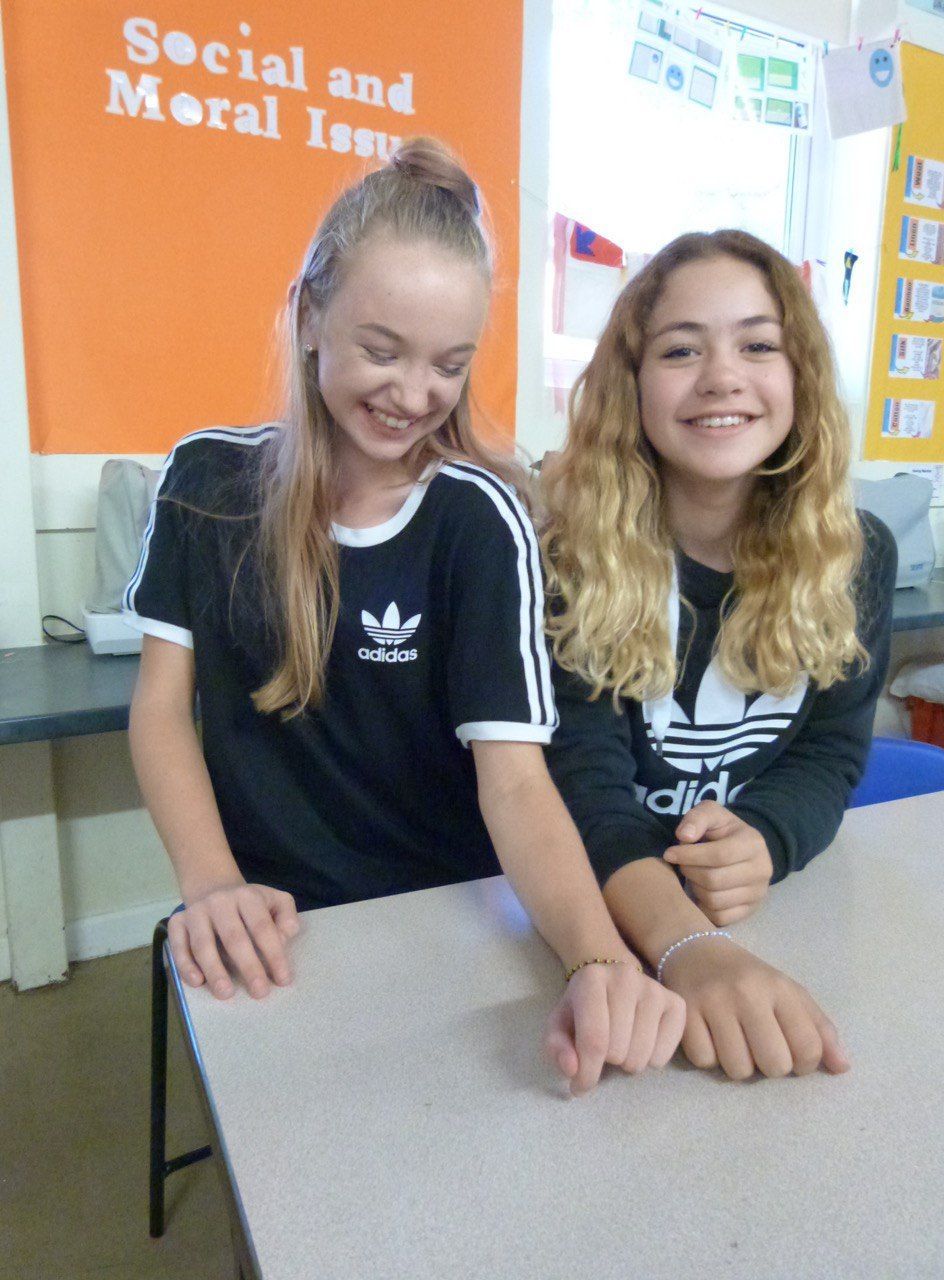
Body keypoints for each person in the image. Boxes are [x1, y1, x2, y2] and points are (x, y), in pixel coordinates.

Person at [124, 138, 684, 1096]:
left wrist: (598, 959)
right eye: (381, 350)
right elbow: (162, 710)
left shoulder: (477, 517)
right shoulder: (205, 481)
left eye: (448, 365)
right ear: (308, 317)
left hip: (450, 912)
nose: (412, 394)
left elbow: (515, 784)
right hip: (281, 922)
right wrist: (211, 882)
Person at [541, 229, 896, 1081]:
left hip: (766, 919)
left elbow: (829, 754)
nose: (722, 376)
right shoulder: (564, 560)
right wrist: (687, 946)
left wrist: (767, 841)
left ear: (800, 375)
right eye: (680, 349)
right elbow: (574, 786)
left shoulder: (858, 557)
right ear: (631, 387)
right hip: (597, 922)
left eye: (758, 344)